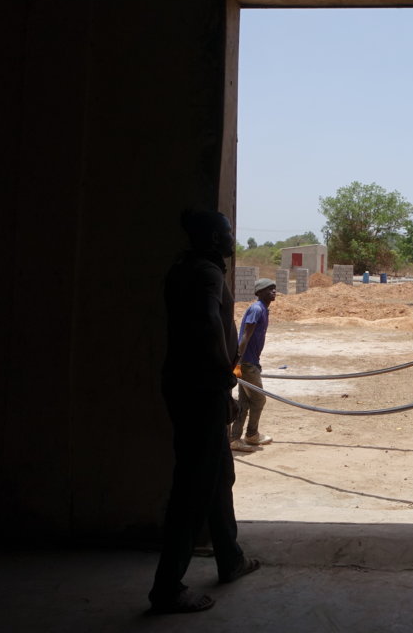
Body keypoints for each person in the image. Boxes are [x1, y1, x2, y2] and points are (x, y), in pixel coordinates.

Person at [148, 210, 260, 615]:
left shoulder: (186, 268)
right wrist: (222, 381)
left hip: (187, 385)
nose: (232, 238)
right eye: (227, 232)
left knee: (218, 475)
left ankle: (230, 558)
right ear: (214, 237)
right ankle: (167, 588)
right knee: (193, 487)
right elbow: (211, 328)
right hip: (201, 389)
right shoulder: (207, 275)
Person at [229, 277, 277, 452]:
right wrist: (238, 361)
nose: (274, 291)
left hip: (250, 361)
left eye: (274, 289)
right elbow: (245, 336)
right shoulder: (257, 309)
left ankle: (235, 438)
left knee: (245, 401)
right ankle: (251, 434)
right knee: (258, 399)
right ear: (259, 292)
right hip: (247, 363)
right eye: (269, 289)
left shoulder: (263, 309)